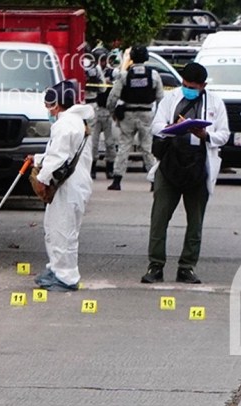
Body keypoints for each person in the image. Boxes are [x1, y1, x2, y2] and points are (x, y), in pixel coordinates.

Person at [142, 62, 230, 284]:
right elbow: (156, 126)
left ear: (203, 85)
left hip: (198, 166)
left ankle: (187, 267)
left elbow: (224, 134)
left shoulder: (215, 103)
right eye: (186, 85)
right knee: (159, 218)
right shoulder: (170, 99)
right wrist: (173, 127)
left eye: (193, 87)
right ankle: (155, 265)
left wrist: (205, 135)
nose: (189, 89)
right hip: (170, 164)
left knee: (195, 221)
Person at [33, 80, 94, 292]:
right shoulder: (76, 121)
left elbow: (58, 157)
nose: (47, 109)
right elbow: (62, 154)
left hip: (68, 187)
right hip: (74, 184)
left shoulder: (65, 124)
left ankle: (66, 277)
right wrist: (38, 159)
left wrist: (42, 178)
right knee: (57, 229)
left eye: (48, 104)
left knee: (62, 231)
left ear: (56, 103)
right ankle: (56, 268)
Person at [106, 45, 163, 191]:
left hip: (128, 114)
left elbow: (113, 96)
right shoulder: (154, 75)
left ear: (131, 57)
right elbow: (160, 99)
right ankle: (154, 181)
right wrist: (159, 117)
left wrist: (112, 112)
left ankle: (117, 181)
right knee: (147, 148)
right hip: (146, 114)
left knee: (124, 146)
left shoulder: (124, 75)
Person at [85, 47, 118, 179]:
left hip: (107, 110)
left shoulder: (112, 72)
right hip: (94, 109)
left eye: (104, 60)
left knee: (110, 142)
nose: (103, 63)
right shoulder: (92, 70)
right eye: (101, 60)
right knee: (93, 142)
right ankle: (92, 168)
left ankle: (110, 167)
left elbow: (111, 88)